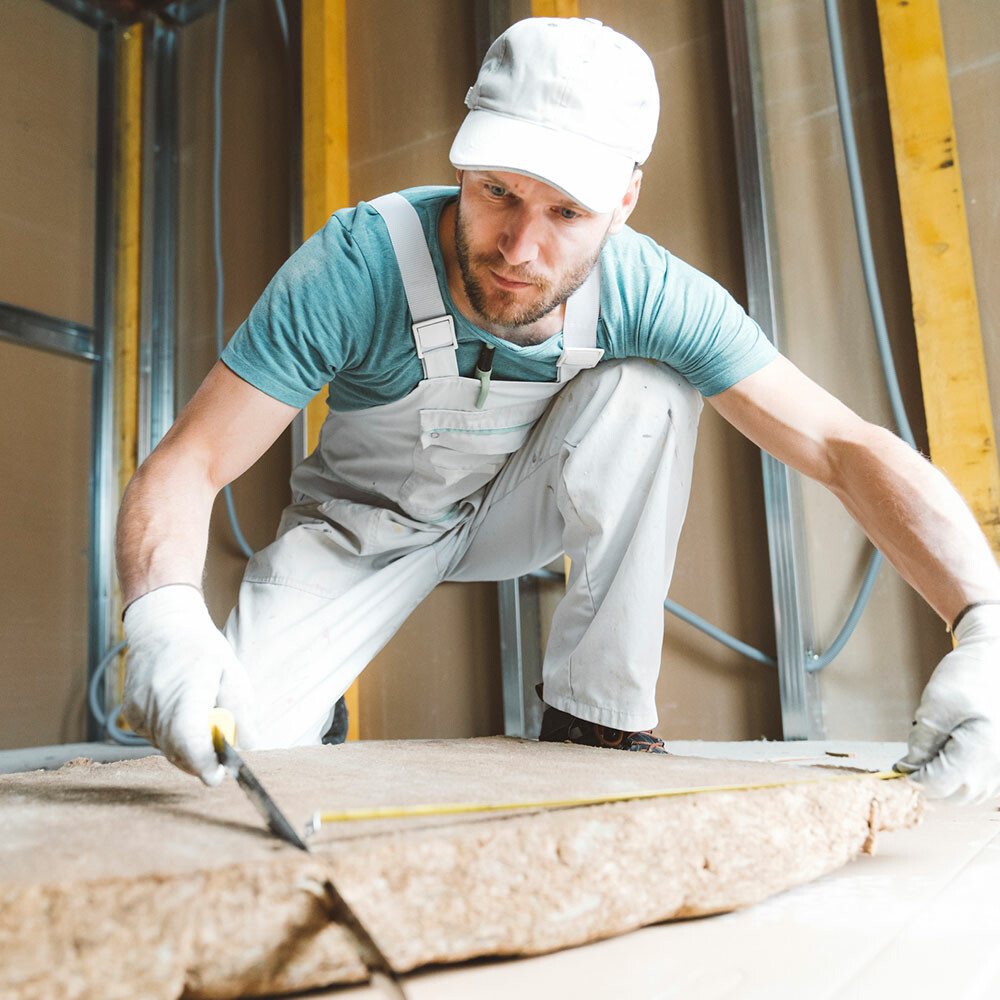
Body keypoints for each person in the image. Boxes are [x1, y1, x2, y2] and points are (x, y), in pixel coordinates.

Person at [117, 17, 1000, 803]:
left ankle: (596, 715)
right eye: (497, 190)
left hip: (512, 509)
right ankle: (307, 711)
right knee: (231, 755)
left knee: (652, 388)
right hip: (361, 529)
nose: (518, 248)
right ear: (464, 161)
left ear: (622, 204)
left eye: (565, 211)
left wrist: (985, 624)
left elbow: (842, 446)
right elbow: (189, 462)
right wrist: (160, 610)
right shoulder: (357, 265)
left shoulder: (649, 290)